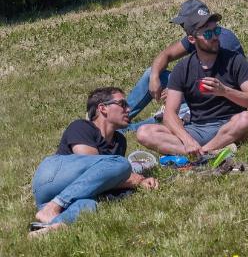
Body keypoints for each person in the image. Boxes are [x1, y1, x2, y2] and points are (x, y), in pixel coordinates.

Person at [136, 9, 248, 156]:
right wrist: (187, 139)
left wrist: (225, 91)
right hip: (197, 129)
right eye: (208, 34)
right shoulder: (183, 68)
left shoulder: (234, 60)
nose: (214, 37)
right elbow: (170, 114)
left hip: (231, 124)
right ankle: (206, 152)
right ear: (192, 39)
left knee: (247, 119)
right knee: (144, 132)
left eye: (217, 31)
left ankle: (201, 154)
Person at [31, 87, 158, 234]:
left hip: (65, 194)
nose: (128, 109)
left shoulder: (120, 141)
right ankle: (53, 206)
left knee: (89, 206)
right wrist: (134, 180)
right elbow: (93, 170)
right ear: (103, 108)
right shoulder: (81, 127)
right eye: (122, 104)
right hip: (50, 177)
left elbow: (103, 181)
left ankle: (49, 228)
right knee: (122, 164)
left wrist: (133, 182)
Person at [125, 0, 243, 129]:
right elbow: (166, 54)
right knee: (152, 72)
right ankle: (120, 116)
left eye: (183, 23)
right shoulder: (198, 36)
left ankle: (127, 130)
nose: (182, 27)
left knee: (178, 111)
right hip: (198, 88)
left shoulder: (215, 40)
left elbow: (218, 85)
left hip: (218, 97)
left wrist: (179, 91)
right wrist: (154, 77)